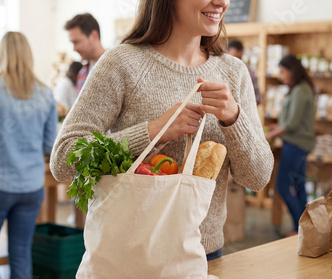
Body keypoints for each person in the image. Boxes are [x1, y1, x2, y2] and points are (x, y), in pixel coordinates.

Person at [50, 0, 273, 261]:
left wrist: (234, 119)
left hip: (204, 255)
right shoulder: (121, 62)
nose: (222, 2)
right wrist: (155, 131)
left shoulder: (233, 73)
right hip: (130, 256)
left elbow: (257, 179)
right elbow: (63, 159)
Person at [0, 31, 57, 279]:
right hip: (31, 186)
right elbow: (50, 144)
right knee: (20, 252)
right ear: (29, 56)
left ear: (1, 55)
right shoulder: (45, 94)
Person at [265, 54, 315, 236]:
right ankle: (304, 228)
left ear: (292, 71)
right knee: (299, 186)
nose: (280, 76)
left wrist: (270, 134)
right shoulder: (301, 89)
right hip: (299, 143)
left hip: (296, 145)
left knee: (283, 185)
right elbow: (294, 121)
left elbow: (292, 124)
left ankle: (298, 227)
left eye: (282, 71)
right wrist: (276, 127)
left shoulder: (301, 91)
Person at [64, 13, 106, 93]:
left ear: (94, 36)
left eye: (76, 42)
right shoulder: (81, 74)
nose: (74, 49)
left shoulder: (117, 67)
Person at [227, 40, 261, 105]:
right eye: (229, 52)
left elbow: (258, 98)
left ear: (241, 52)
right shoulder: (225, 71)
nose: (230, 55)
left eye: (234, 52)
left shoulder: (249, 72)